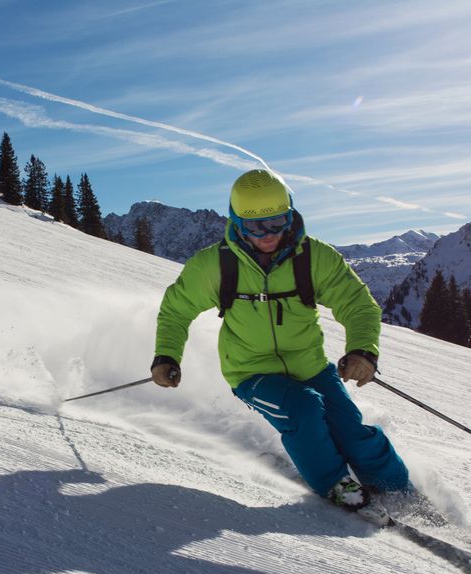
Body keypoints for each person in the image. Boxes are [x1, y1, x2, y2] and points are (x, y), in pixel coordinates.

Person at [151, 169, 411, 510]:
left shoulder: (314, 258)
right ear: (237, 223)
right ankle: (334, 483)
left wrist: (363, 350)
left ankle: (397, 491)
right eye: (256, 227)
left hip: (310, 365)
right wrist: (166, 356)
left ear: (291, 215)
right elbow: (176, 311)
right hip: (251, 372)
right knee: (303, 409)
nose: (269, 234)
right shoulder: (215, 265)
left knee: (349, 429)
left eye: (278, 222)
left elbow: (357, 304)